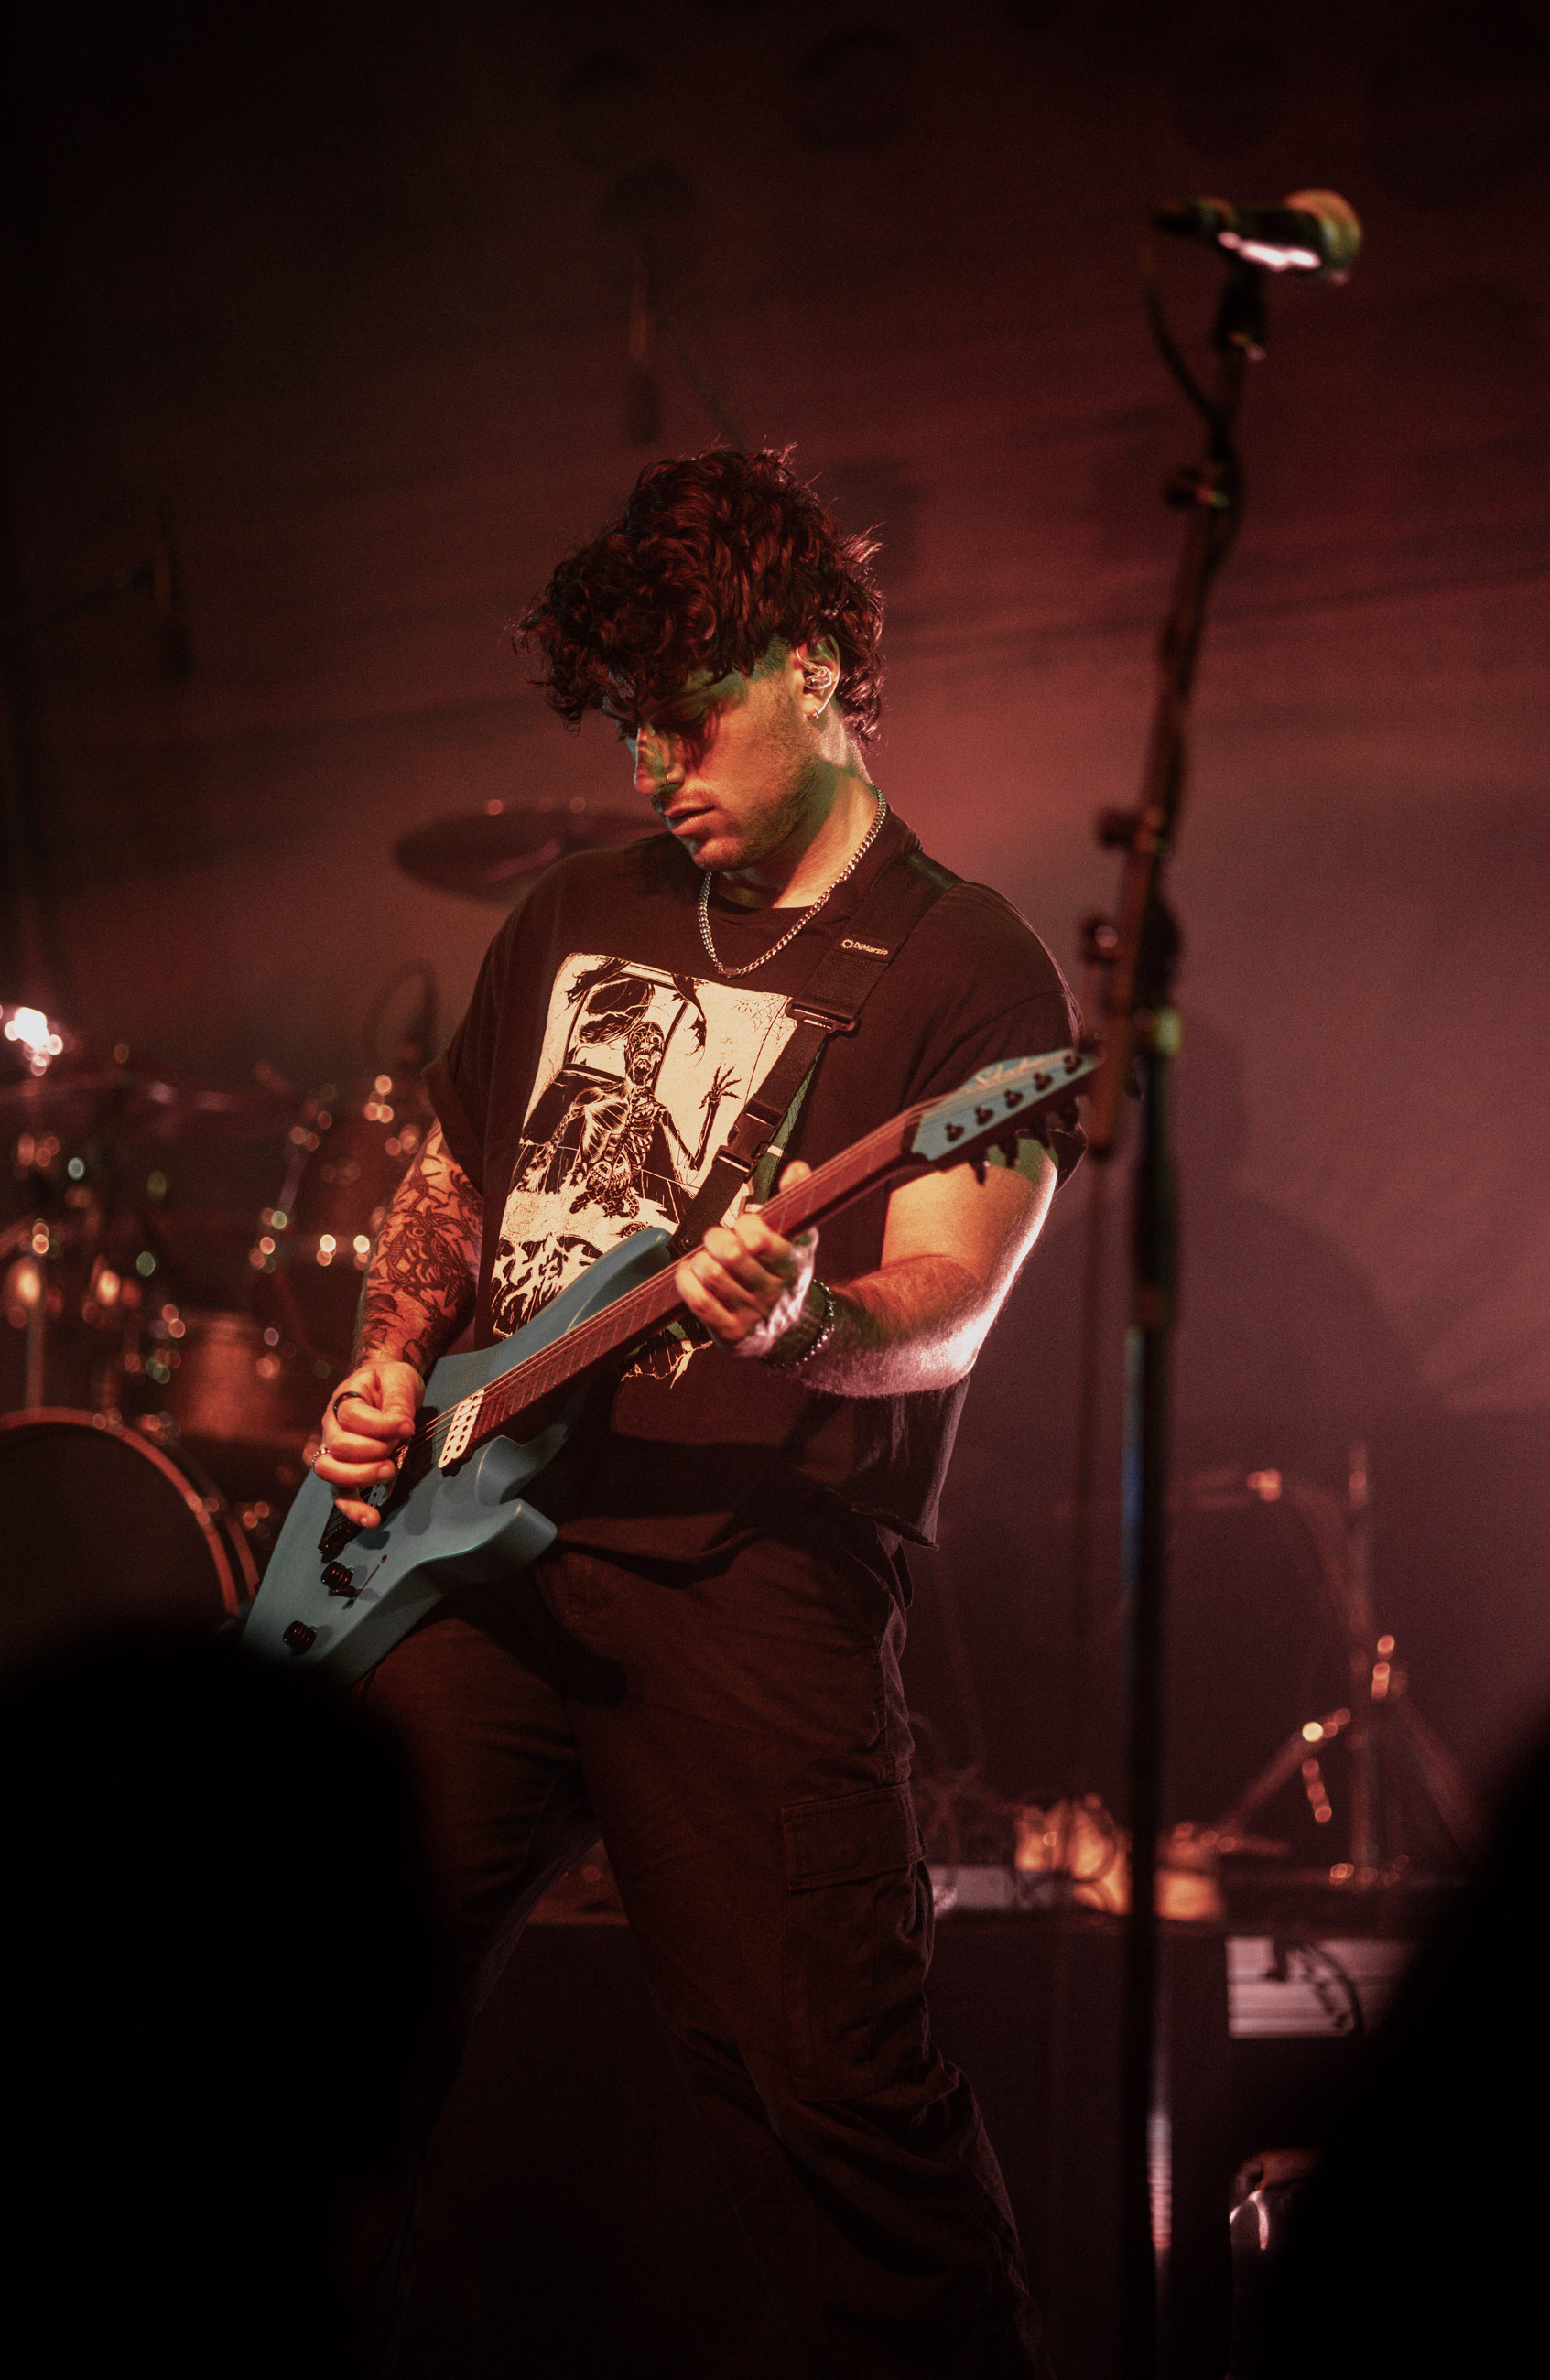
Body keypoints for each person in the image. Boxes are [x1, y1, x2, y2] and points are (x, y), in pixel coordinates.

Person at [314, 448, 1083, 2377]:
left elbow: (944, 1314)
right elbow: (451, 1179)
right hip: (472, 1557)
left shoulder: (971, 966)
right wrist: (391, 1354)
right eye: (629, 725)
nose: (656, 763)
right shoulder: (575, 907)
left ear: (816, 658)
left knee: (835, 2108)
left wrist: (809, 1321)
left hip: (744, 1580)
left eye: (691, 712)